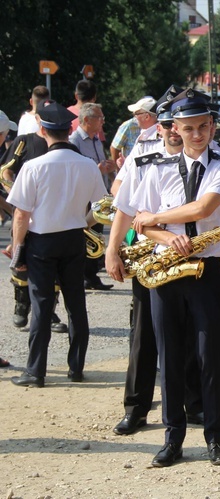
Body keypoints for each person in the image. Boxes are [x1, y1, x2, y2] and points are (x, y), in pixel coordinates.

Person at [130, 88, 220, 467]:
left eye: (203, 127)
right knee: (170, 357)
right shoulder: (157, 166)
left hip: (206, 268)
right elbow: (139, 224)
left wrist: (158, 218)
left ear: (212, 126)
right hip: (165, 271)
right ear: (174, 128)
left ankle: (215, 438)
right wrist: (165, 234)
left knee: (211, 355)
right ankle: (172, 437)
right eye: (188, 128)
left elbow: (205, 206)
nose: (197, 135)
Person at [105, 86, 203, 436]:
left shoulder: (204, 153)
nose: (173, 132)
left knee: (192, 331)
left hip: (192, 255)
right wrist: (112, 248)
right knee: (144, 334)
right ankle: (136, 408)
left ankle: (194, 404)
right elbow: (124, 204)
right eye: (166, 125)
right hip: (150, 256)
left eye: (176, 125)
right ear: (160, 127)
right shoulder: (143, 156)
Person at [8, 102, 108, 388]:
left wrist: (18, 249)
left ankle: (35, 371)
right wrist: (82, 223)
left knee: (41, 305)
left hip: (42, 241)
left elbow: (21, 215)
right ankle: (76, 368)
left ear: (42, 131)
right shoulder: (87, 165)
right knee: (76, 304)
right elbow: (102, 207)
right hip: (74, 238)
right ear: (70, 130)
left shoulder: (33, 166)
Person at [2, 101, 68, 334]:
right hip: (25, 213)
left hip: (55, 216)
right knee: (20, 260)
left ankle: (49, 312)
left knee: (55, 266)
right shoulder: (24, 141)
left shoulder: (65, 146)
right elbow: (6, 170)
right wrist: (16, 193)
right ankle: (21, 305)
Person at [69, 102, 118, 291]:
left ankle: (92, 275)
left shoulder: (96, 140)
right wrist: (96, 169)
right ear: (87, 119)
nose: (102, 121)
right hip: (82, 195)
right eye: (100, 118)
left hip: (97, 195)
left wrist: (110, 169)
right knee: (82, 234)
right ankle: (80, 275)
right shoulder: (75, 141)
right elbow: (74, 168)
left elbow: (98, 165)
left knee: (96, 234)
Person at [110, 96, 159, 165]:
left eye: (136, 114)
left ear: (147, 117)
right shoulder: (144, 133)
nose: (134, 117)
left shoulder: (160, 135)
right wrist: (125, 165)